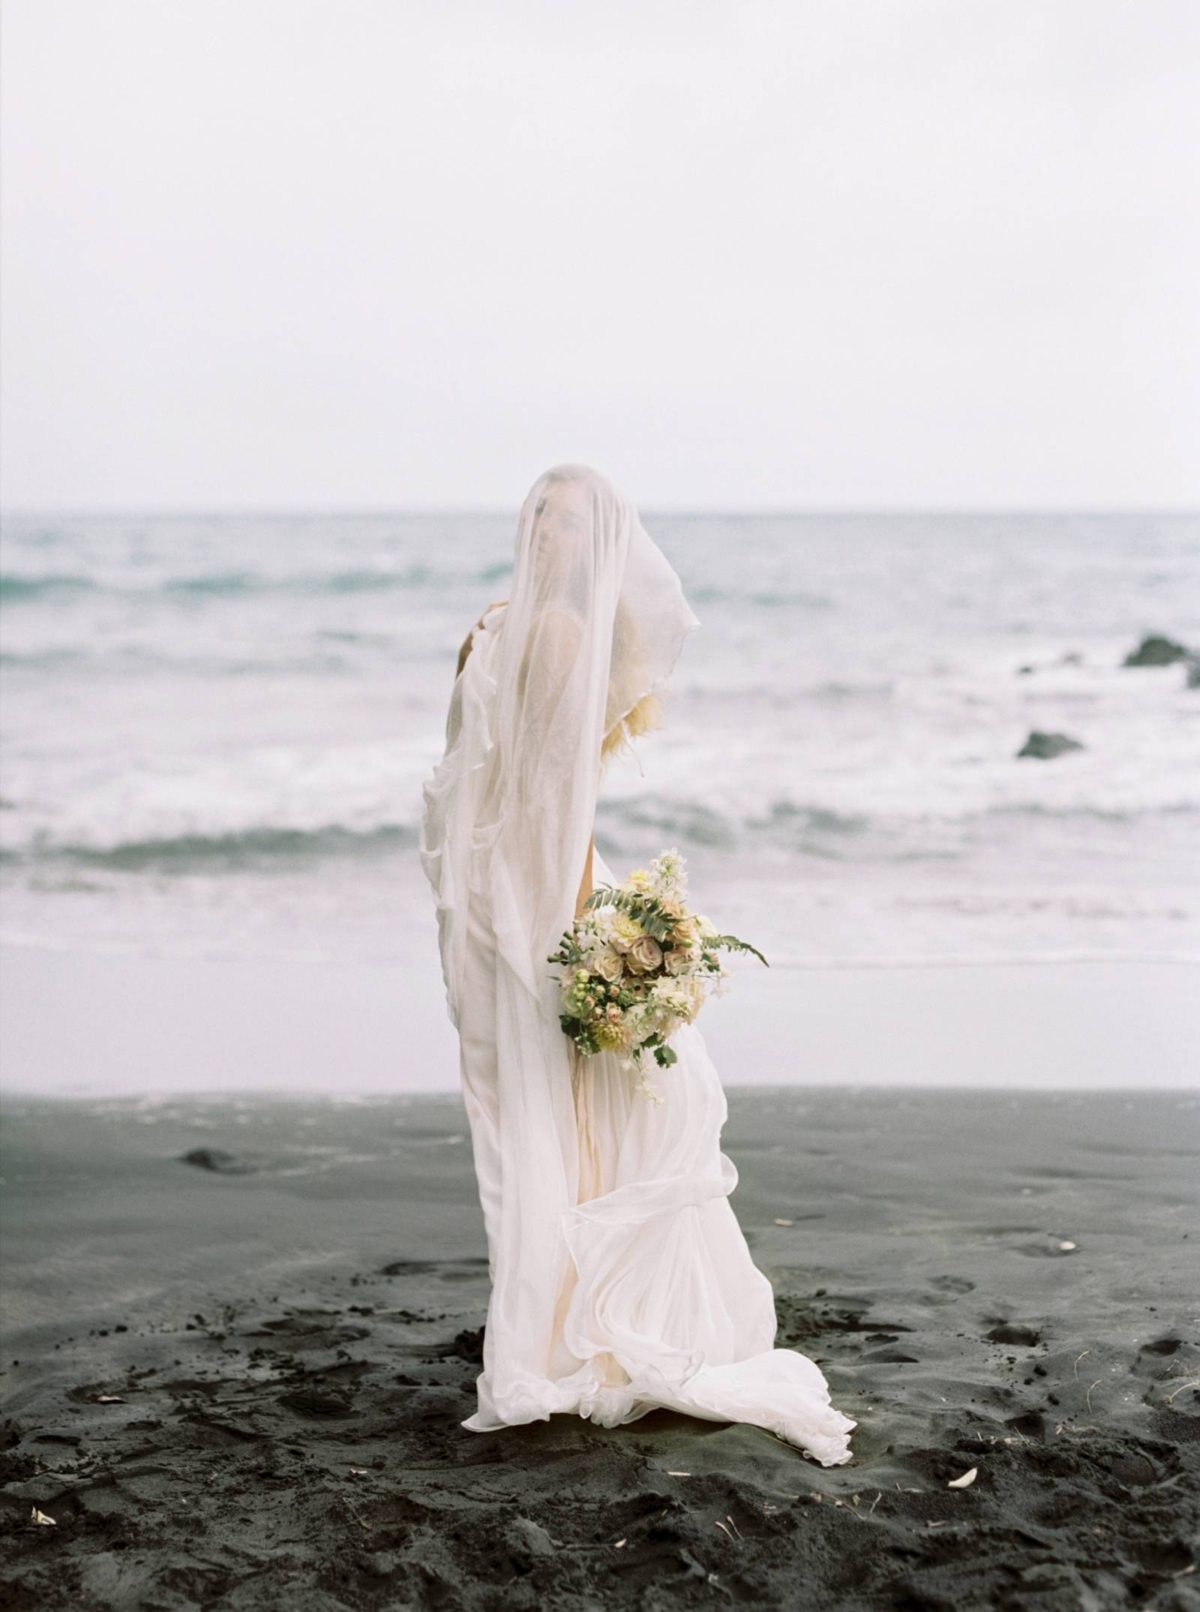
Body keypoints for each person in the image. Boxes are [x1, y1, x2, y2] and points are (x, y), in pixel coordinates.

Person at [419, 464, 856, 1465]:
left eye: (566, 521)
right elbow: (471, 781)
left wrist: (589, 929)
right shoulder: (494, 624)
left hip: (529, 898)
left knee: (563, 1107)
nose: (543, 530)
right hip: (493, 902)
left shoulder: (556, 635)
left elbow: (559, 808)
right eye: (536, 510)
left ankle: (561, 1324)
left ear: (596, 545)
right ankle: (544, 1318)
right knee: (527, 1111)